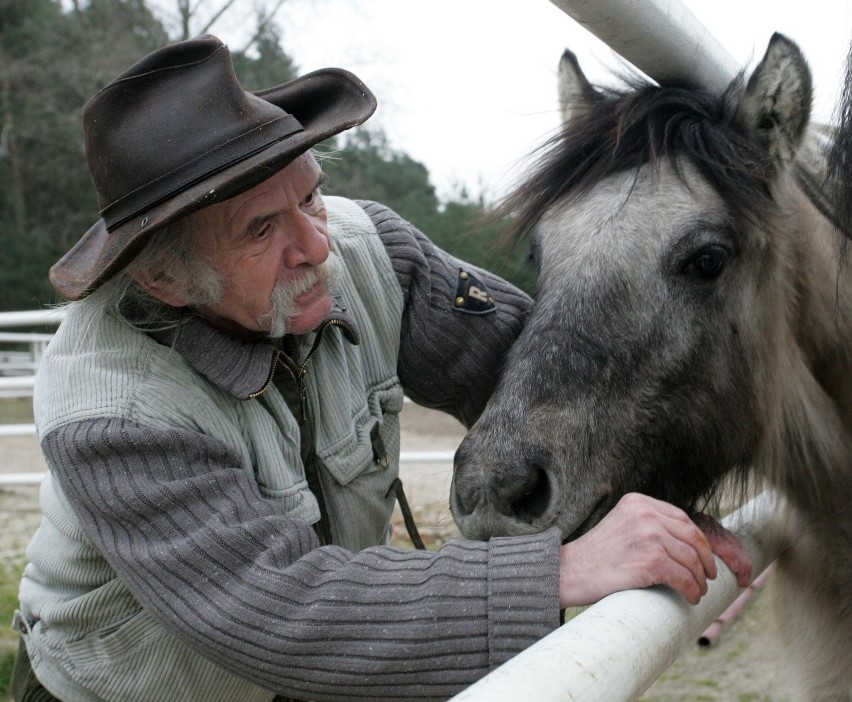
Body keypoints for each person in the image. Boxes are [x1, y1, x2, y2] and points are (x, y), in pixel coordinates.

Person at [11, 34, 751, 702]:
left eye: (310, 195)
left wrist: (662, 491)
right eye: (261, 229)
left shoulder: (372, 255)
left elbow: (547, 377)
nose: (317, 247)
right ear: (165, 280)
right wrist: (561, 571)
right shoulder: (109, 415)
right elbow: (277, 607)